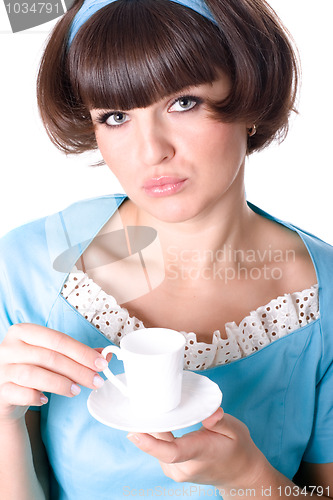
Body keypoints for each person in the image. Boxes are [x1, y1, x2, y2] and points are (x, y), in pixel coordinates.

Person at [0, 0, 332, 499]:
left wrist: (249, 478)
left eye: (183, 102)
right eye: (115, 116)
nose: (150, 151)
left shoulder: (324, 297)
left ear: (250, 94)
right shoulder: (27, 268)